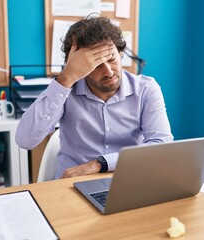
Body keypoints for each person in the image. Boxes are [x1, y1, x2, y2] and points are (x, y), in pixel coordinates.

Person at [15, 16, 173, 179]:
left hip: (128, 180)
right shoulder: (66, 90)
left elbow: (161, 147)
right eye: (96, 65)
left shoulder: (146, 89)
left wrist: (99, 164)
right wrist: (67, 77)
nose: (109, 72)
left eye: (111, 59)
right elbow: (25, 140)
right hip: (72, 185)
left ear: (120, 53)